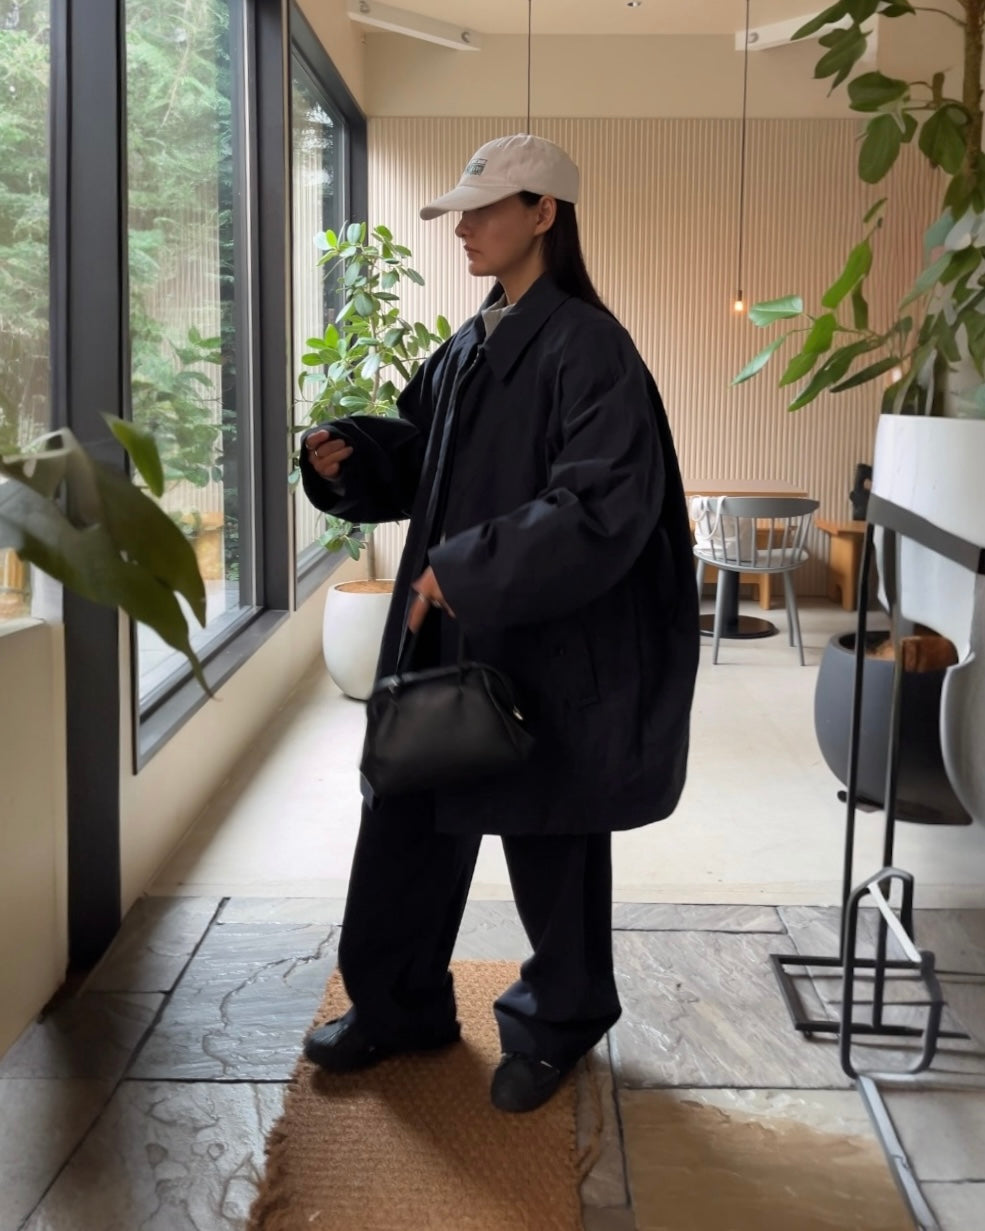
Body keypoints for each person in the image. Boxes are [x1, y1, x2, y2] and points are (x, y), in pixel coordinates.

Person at [299, 133, 699, 1114]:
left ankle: (557, 1024)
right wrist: (349, 454)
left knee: (550, 835)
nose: (463, 229)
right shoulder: (474, 340)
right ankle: (395, 1007)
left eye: (482, 210)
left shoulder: (589, 347)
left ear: (543, 214)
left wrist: (465, 569)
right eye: (460, 213)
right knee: (405, 821)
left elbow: (603, 504)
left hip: (547, 644)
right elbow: (422, 455)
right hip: (448, 633)